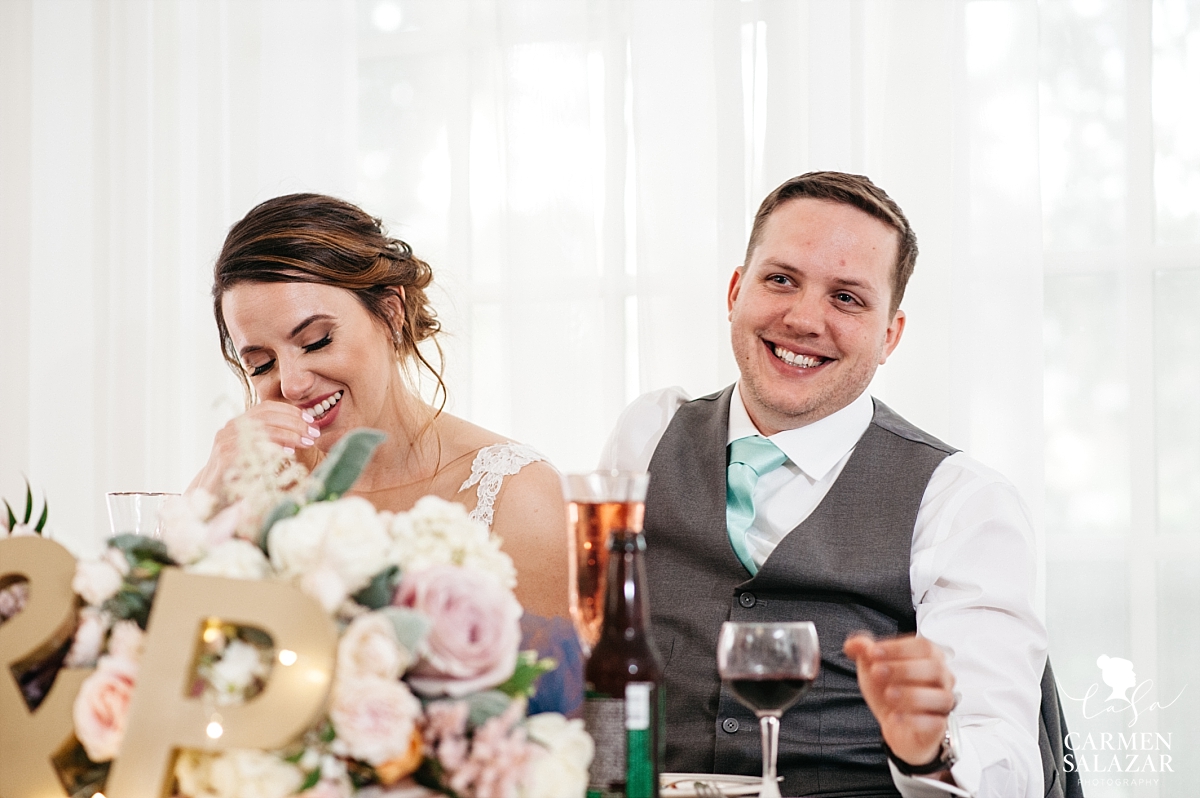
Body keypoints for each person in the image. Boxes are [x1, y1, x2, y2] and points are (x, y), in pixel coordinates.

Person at [601, 172, 1048, 797]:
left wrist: (930, 747)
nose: (804, 318)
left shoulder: (961, 502)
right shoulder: (646, 436)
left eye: (847, 298)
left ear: (889, 335)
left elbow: (1010, 765)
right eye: (780, 279)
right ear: (736, 290)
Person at [189, 193, 568, 623]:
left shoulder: (518, 495)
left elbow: (555, 687)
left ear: (390, 313)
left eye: (317, 341)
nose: (292, 384)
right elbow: (166, 668)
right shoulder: (253, 497)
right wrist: (206, 497)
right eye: (261, 364)